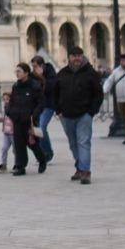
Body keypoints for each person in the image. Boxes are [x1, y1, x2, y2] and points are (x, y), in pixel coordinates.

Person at [53, 47, 103, 184]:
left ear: (82, 57)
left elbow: (98, 94)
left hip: (84, 115)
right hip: (66, 115)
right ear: (69, 57)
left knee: (83, 142)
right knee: (73, 144)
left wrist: (91, 111)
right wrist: (58, 110)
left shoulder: (91, 73)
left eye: (79, 56)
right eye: (74, 56)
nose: (76, 58)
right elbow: (54, 93)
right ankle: (79, 167)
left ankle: (85, 171)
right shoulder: (62, 73)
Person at [3, 62, 47, 176]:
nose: (17, 73)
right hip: (17, 119)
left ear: (26, 73)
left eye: (19, 71)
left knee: (32, 143)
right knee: (18, 144)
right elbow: (11, 101)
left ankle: (42, 159)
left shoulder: (34, 85)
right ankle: (20, 166)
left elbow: (41, 102)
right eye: (16, 71)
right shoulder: (16, 86)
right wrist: (9, 111)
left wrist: (35, 114)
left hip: (30, 120)